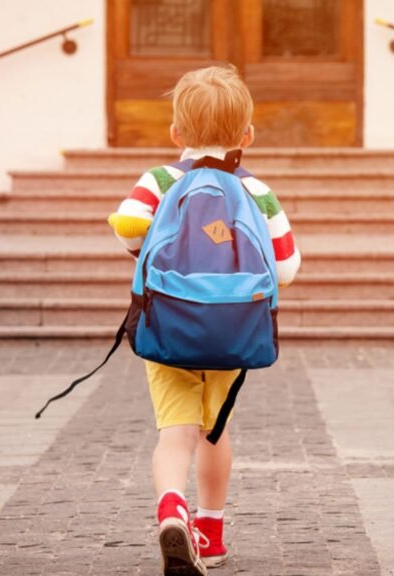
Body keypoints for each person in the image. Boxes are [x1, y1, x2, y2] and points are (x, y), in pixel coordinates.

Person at [107, 64, 301, 575]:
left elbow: (128, 224)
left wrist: (150, 254)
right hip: (232, 331)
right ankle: (210, 534)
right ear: (247, 135)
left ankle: (172, 508)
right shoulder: (256, 190)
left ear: (175, 133)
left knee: (176, 432)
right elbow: (286, 267)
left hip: (168, 325)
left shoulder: (161, 179)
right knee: (214, 432)